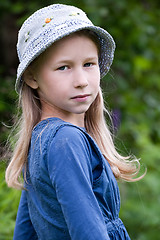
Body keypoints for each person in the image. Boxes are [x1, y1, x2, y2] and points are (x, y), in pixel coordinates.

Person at [5, 4, 144, 240]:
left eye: (89, 64)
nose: (81, 80)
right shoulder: (65, 141)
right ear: (32, 77)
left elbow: (24, 233)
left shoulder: (41, 140)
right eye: (63, 67)